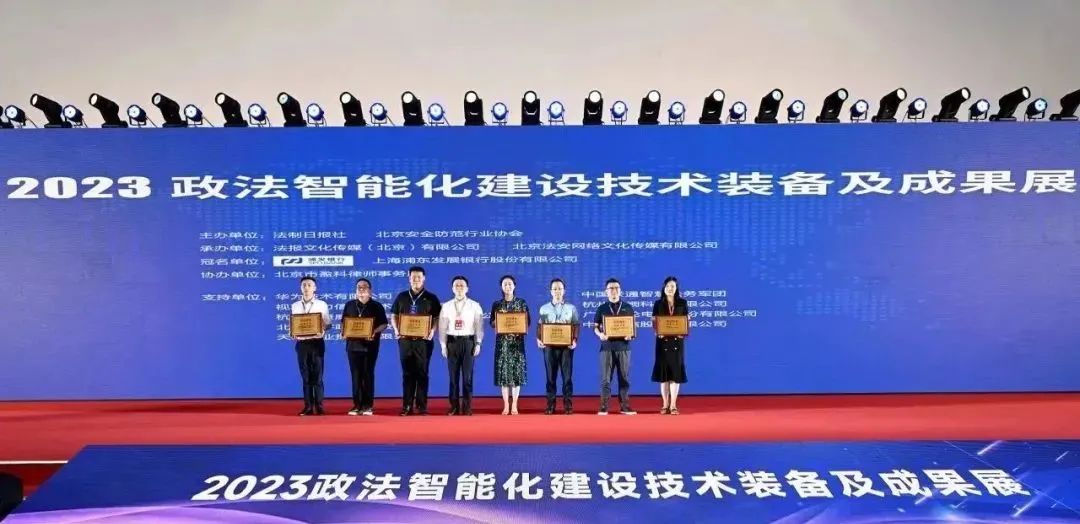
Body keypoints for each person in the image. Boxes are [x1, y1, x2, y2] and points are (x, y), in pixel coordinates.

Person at [390, 266, 441, 416]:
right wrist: (396, 330)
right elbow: (394, 315)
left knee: (422, 373)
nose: (416, 279)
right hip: (405, 341)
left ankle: (422, 406)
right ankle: (407, 406)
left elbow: (437, 317)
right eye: (413, 277)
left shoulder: (431, 298)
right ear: (409, 278)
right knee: (407, 374)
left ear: (424, 278)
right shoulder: (402, 297)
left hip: (423, 342)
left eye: (419, 277)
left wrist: (432, 331)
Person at [342, 278, 389, 416]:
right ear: (356, 290)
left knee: (368, 374)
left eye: (365, 287)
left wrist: (374, 332)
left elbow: (384, 324)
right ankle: (357, 405)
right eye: (359, 287)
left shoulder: (377, 306)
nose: (362, 289)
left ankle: (368, 406)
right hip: (352, 346)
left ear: (370, 290)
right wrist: (343, 332)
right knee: (355, 376)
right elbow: (344, 322)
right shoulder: (349, 305)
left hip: (370, 346)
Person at [439, 276, 484, 416]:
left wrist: (478, 343)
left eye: (462, 285)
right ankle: (453, 407)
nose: (459, 288)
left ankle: (467, 406)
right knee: (453, 378)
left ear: (467, 288)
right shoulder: (446, 306)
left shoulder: (475, 305)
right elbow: (442, 327)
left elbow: (479, 327)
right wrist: (443, 345)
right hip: (452, 342)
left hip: (468, 342)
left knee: (467, 377)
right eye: (456, 285)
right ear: (452, 288)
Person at [593, 277, 636, 415]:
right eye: (611, 288)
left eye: (616, 288)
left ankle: (625, 406)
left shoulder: (628, 307)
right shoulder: (602, 308)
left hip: (624, 348)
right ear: (606, 291)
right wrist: (600, 334)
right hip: (607, 348)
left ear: (620, 290)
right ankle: (604, 405)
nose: (614, 290)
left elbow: (633, 328)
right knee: (606, 379)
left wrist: (631, 335)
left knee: (624, 378)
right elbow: (595, 327)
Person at [537, 277, 579, 415]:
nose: (557, 291)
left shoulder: (571, 308)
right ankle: (550, 405)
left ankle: (568, 405)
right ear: (551, 291)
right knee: (550, 377)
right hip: (549, 346)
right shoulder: (544, 308)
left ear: (564, 290)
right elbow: (540, 326)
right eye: (555, 289)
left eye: (560, 288)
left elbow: (576, 325)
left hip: (566, 347)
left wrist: (574, 340)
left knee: (567, 377)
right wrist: (538, 339)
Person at [490, 275, 530, 415]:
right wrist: (499, 321)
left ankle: (515, 405)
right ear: (501, 287)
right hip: (502, 344)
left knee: (517, 375)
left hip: (517, 344)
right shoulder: (497, 304)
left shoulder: (522, 303)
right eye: (505, 284)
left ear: (514, 286)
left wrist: (519, 326)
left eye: (510, 284)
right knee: (504, 376)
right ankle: (506, 405)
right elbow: (492, 323)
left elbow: (527, 322)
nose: (507, 286)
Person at [291, 276, 331, 416]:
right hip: (302, 344)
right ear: (300, 288)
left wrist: (322, 326)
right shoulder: (295, 305)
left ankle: (319, 406)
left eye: (309, 285)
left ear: (315, 288)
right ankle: (308, 406)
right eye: (304, 285)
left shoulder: (322, 304)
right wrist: (293, 332)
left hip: (317, 343)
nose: (306, 287)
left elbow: (328, 324)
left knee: (318, 376)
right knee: (306, 377)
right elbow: (294, 324)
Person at [652, 276, 689, 415]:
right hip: (662, 342)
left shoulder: (682, 303)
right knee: (664, 376)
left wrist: (684, 332)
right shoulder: (658, 303)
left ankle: (673, 405)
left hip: (677, 342)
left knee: (675, 374)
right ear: (664, 288)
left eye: (672, 286)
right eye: (668, 286)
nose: (670, 288)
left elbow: (686, 320)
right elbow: (654, 321)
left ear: (676, 288)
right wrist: (657, 331)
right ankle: (664, 404)